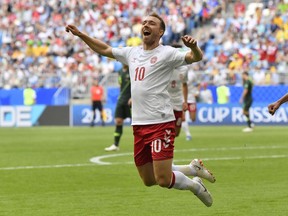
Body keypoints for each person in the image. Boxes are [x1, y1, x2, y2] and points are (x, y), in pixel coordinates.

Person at [66, 12, 215, 207]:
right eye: (144, 22)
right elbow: (104, 49)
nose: (146, 24)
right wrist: (81, 35)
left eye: (152, 23)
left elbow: (195, 58)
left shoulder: (167, 53)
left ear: (160, 32)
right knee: (149, 179)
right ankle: (192, 168)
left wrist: (194, 47)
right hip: (139, 124)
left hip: (160, 122)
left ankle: (196, 187)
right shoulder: (132, 53)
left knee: (162, 179)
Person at [105, 65, 131, 151]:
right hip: (121, 99)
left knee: (137, 123)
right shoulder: (119, 71)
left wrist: (133, 97)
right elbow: (121, 85)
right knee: (118, 121)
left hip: (132, 100)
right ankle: (116, 145)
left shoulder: (132, 69)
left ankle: (143, 144)